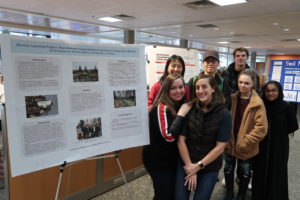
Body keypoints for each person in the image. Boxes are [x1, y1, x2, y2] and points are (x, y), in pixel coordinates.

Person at [172, 74, 232, 200]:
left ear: (213, 88)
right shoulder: (189, 108)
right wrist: (190, 167)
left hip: (209, 166)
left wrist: (197, 166)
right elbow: (181, 140)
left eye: (204, 87)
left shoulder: (224, 114)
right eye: (197, 88)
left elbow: (220, 147)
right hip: (186, 162)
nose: (200, 91)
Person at [223, 69, 267, 200]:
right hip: (230, 142)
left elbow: (261, 128)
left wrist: (245, 141)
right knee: (228, 169)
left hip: (247, 145)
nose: (243, 85)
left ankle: (241, 195)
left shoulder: (257, 103)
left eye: (246, 83)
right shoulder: (232, 99)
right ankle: (229, 193)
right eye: (240, 82)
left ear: (253, 84)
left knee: (245, 172)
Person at [142, 74, 187, 200]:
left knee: (171, 193)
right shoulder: (161, 107)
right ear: (166, 90)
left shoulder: (180, 103)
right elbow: (169, 136)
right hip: (158, 160)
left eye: (181, 87)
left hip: (171, 159)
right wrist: (182, 114)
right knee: (164, 194)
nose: (178, 91)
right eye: (173, 88)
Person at [252, 81, 298, 200]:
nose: (270, 93)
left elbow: (293, 125)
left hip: (279, 145)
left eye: (274, 90)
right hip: (261, 145)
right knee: (260, 170)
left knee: (277, 171)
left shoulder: (286, 107)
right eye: (267, 91)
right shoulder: (260, 105)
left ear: (279, 92)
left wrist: (278, 133)